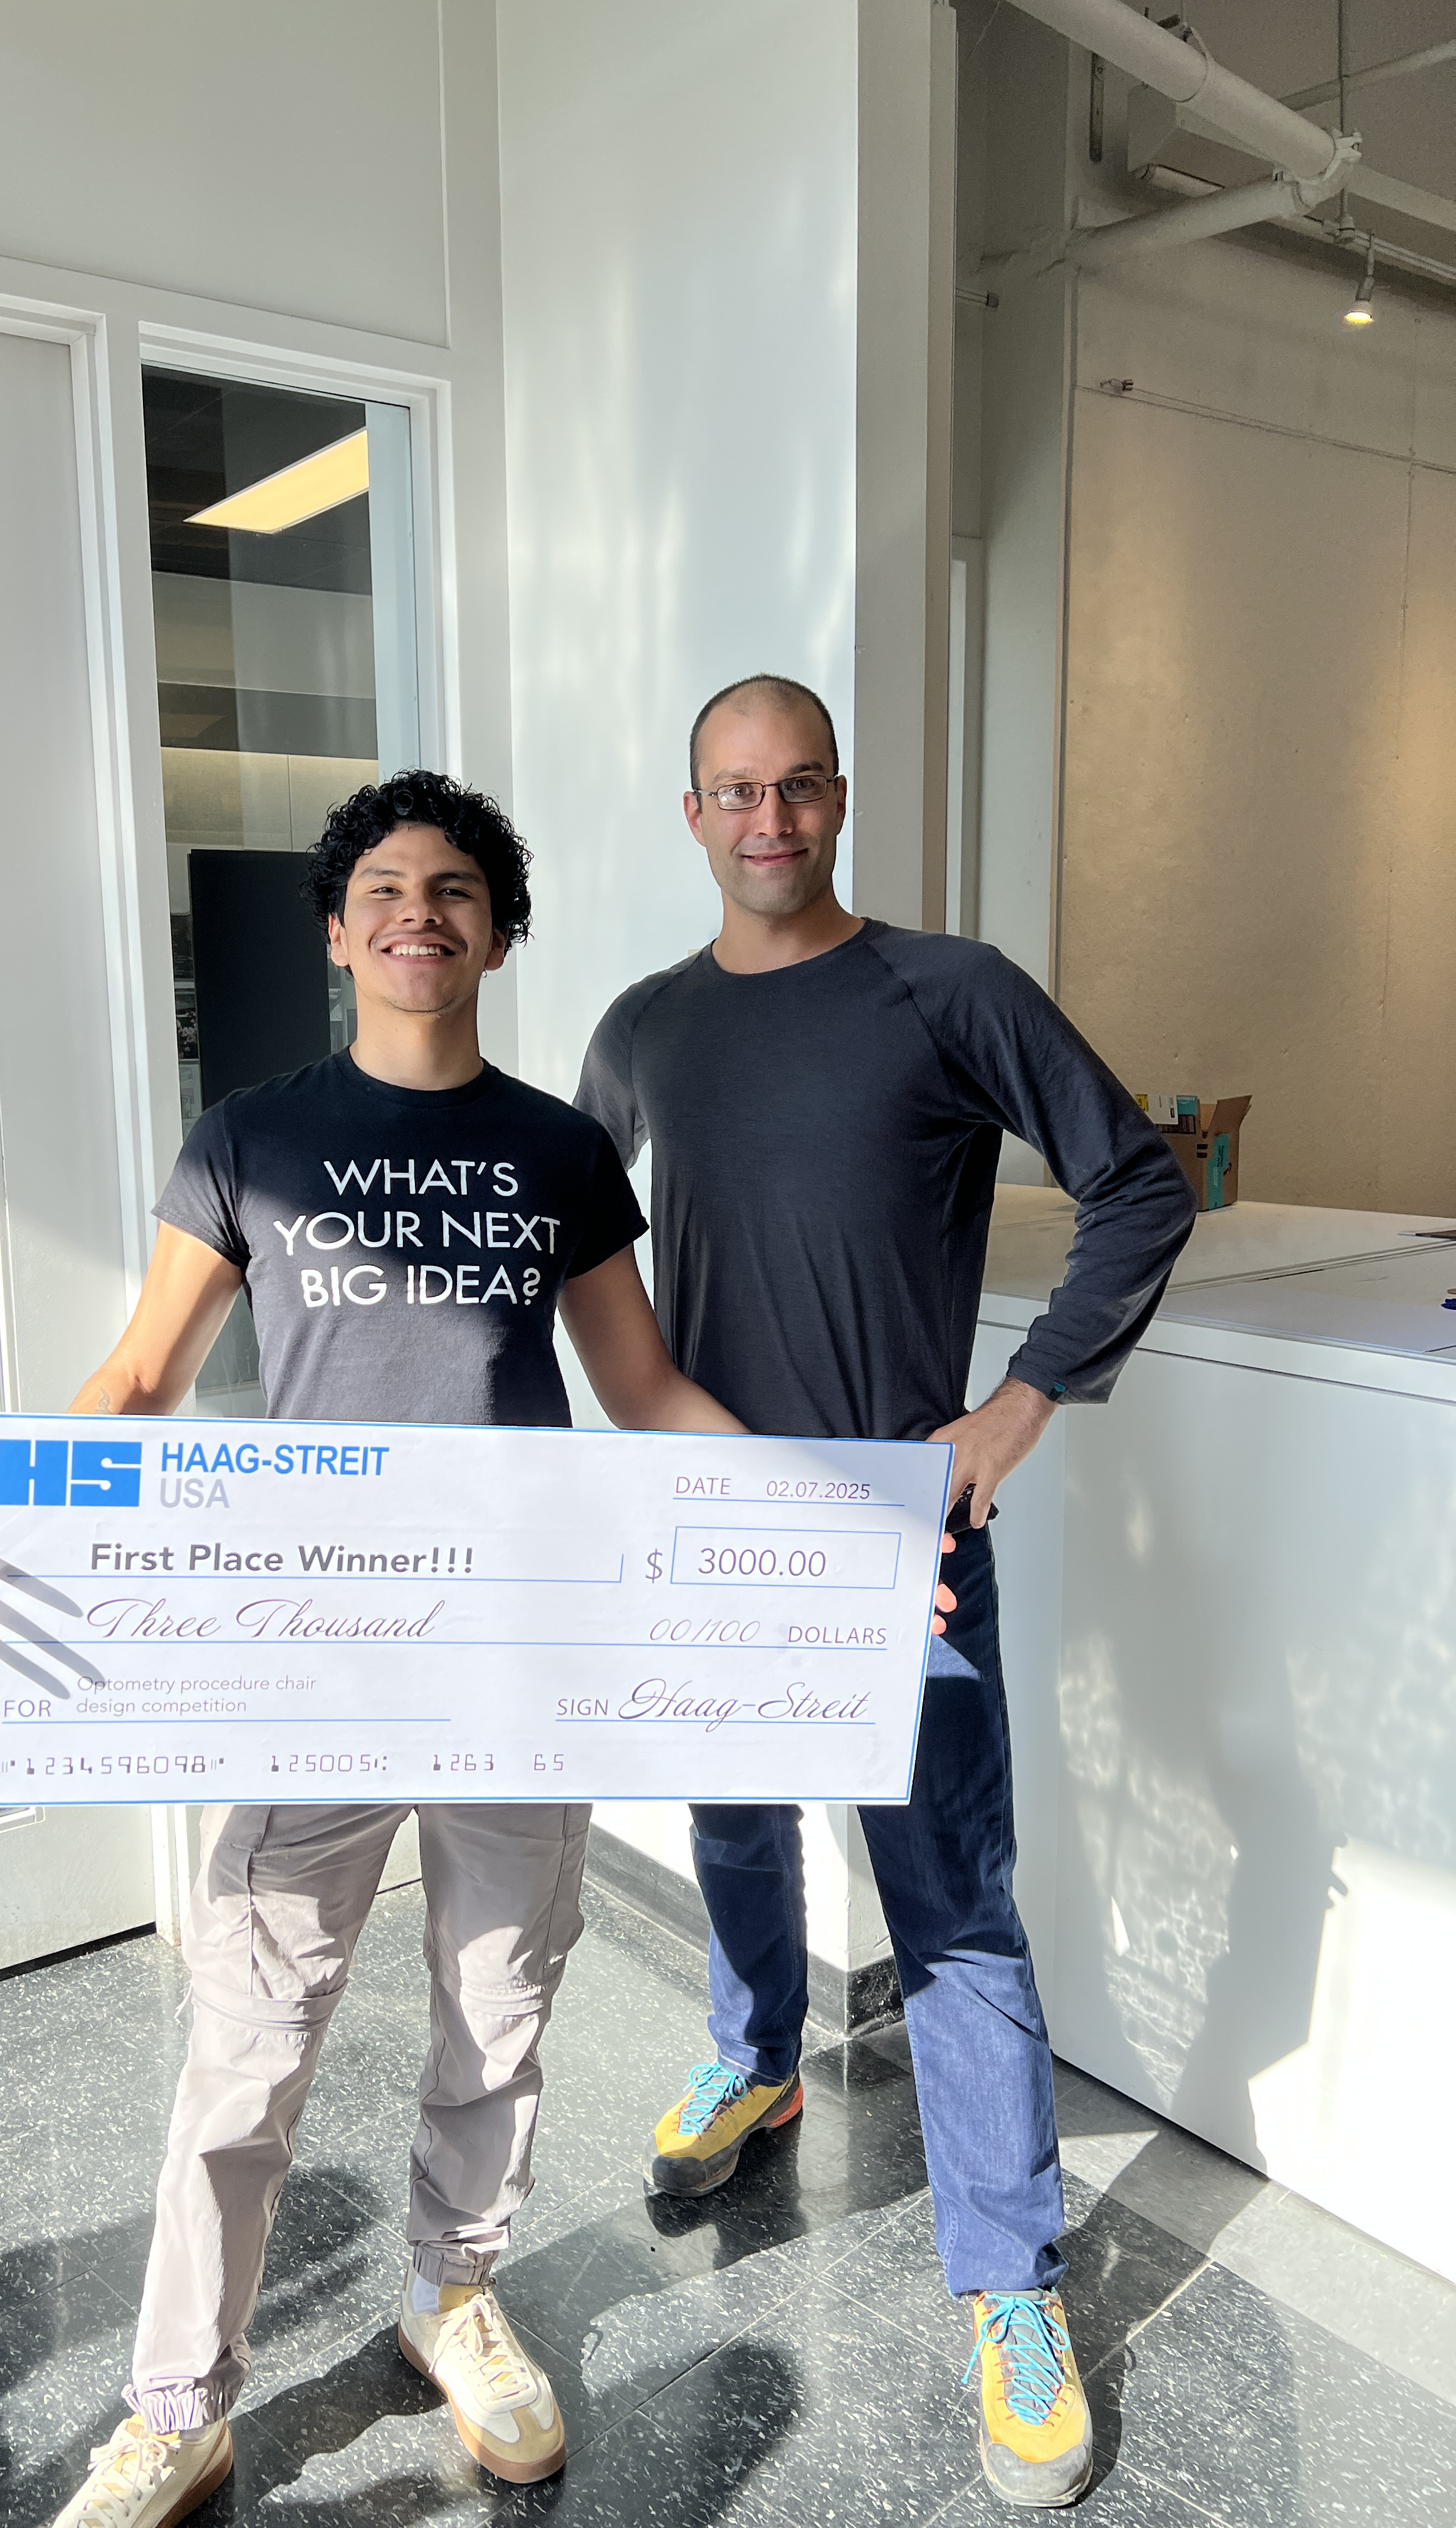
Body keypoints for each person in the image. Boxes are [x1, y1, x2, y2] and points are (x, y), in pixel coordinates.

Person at [0, 773, 779, 2528]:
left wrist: (828, 1533)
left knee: (497, 2016)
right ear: (338, 932)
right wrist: (19, 1520)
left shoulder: (555, 1148)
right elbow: (147, 1375)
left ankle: (452, 2296)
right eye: (384, 887)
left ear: (498, 928)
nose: (420, 911)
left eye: (456, 887)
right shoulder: (252, 1137)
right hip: (310, 1653)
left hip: (511, 1663)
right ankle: (180, 2396)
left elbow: (638, 1391)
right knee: (251, 2042)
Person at [575, 675, 1198, 2511]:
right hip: (712, 1523)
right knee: (737, 1825)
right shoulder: (643, 1031)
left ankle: (1012, 2288)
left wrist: (1017, 1409)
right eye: (733, 792)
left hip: (887, 1531)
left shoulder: (953, 993)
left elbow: (1138, 1190)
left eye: (798, 788)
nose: (767, 820)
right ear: (689, 812)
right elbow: (558, 1230)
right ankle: (753, 2056)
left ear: (839, 799)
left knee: (950, 1907)